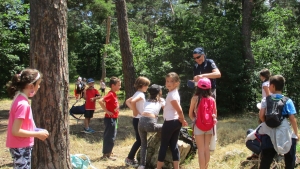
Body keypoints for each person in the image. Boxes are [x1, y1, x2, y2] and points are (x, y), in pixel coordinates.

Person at [6, 69, 49, 168]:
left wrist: (36, 130)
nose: (39, 87)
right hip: (21, 146)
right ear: (31, 86)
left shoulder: (19, 99)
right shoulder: (23, 104)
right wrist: (37, 134)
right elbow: (16, 131)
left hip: (19, 146)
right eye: (38, 84)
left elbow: (21, 126)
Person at [258, 75, 299, 169]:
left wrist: (266, 123)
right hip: (283, 131)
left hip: (268, 132)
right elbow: (292, 118)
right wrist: (296, 134)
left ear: (272, 86)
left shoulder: (265, 99)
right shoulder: (288, 101)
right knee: (290, 155)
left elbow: (261, 115)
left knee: (266, 159)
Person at [156, 72, 188, 169]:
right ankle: (176, 167)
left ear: (177, 83)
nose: (168, 83)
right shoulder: (173, 93)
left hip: (170, 122)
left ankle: (158, 167)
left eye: (171, 81)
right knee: (173, 145)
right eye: (167, 81)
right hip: (175, 122)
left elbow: (179, 110)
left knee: (164, 145)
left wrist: (182, 120)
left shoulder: (172, 95)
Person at [188, 77, 217, 169]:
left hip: (198, 127)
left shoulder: (194, 98)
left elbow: (190, 114)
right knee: (206, 149)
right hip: (209, 127)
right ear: (209, 88)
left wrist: (195, 121)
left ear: (198, 87)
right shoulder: (212, 99)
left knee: (200, 150)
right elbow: (215, 114)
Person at [138, 84, 165, 169]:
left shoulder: (146, 100)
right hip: (150, 123)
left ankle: (142, 165)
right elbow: (166, 111)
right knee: (167, 127)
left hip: (141, 122)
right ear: (159, 92)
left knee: (143, 144)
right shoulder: (161, 100)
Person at [125, 76, 150, 167]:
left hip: (137, 119)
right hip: (139, 120)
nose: (147, 87)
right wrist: (135, 111)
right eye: (147, 85)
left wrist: (135, 110)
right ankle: (129, 158)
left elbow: (128, 101)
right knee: (140, 141)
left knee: (139, 140)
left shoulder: (137, 93)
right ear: (142, 85)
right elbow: (132, 102)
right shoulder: (141, 94)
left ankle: (131, 158)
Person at [98, 77, 121, 160]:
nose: (120, 87)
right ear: (113, 85)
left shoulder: (114, 94)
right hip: (110, 119)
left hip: (114, 118)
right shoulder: (110, 94)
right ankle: (106, 154)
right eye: (118, 85)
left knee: (113, 136)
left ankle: (109, 152)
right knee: (109, 136)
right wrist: (107, 111)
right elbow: (100, 101)